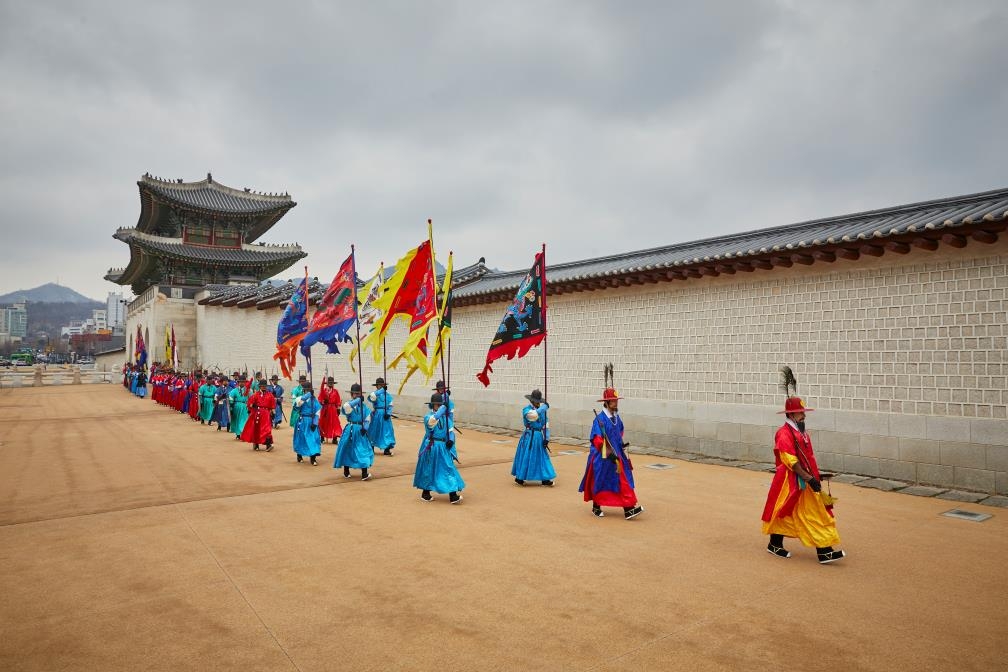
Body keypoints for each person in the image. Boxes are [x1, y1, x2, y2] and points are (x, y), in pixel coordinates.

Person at [762, 397, 845, 564]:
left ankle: (775, 544)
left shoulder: (802, 433)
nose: (804, 416)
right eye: (801, 413)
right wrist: (809, 479)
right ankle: (823, 551)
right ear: (792, 414)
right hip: (791, 481)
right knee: (801, 512)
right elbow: (790, 460)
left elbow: (808, 458)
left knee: (798, 512)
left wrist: (817, 475)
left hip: (805, 478)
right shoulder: (784, 433)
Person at [578, 387, 643, 520]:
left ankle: (629, 508)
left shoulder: (616, 418)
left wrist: (621, 445)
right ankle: (596, 506)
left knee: (623, 480)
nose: (616, 403)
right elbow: (597, 439)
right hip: (602, 457)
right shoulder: (600, 420)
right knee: (600, 481)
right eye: (613, 401)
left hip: (618, 455)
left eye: (616, 400)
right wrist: (609, 453)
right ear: (606, 403)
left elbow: (620, 432)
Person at [413, 393, 464, 504]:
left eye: (440, 404)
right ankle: (425, 493)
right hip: (432, 446)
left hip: (443, 447)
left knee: (448, 468)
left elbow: (450, 431)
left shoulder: (446, 418)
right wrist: (444, 408)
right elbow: (432, 421)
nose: (438, 406)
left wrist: (451, 440)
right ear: (432, 405)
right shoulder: (428, 417)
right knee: (429, 470)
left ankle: (453, 495)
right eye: (437, 405)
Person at [511, 389, 555, 486]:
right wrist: (544, 408)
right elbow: (533, 416)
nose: (538, 403)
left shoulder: (542, 411)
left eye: (539, 402)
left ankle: (545, 478)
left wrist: (546, 438)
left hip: (539, 437)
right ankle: (520, 477)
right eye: (536, 401)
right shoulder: (526, 410)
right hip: (529, 436)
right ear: (531, 401)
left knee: (542, 457)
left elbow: (545, 425)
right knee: (526, 456)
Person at [333, 383, 373, 480]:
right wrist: (358, 400)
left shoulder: (365, 408)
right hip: (350, 429)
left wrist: (365, 428)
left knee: (363, 450)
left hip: (361, 430)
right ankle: (346, 471)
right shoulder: (348, 405)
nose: (356, 395)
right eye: (354, 394)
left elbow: (368, 418)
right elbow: (346, 407)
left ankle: (364, 473)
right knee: (347, 449)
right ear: (351, 394)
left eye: (358, 394)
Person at [292, 382, 322, 465]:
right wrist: (308, 395)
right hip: (302, 420)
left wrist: (315, 423)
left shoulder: (314, 401)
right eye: (306, 390)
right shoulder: (300, 398)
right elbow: (298, 404)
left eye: (309, 390)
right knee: (301, 438)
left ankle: (313, 457)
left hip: (311, 421)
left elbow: (317, 412)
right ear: (304, 390)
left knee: (313, 438)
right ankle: (299, 454)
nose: (308, 391)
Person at [242, 381, 276, 451]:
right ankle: (256, 443)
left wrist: (273, 413)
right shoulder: (255, 395)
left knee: (267, 429)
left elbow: (272, 406)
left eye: (265, 386)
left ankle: (268, 444)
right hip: (257, 413)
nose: (264, 387)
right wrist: (252, 405)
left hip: (266, 414)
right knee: (256, 429)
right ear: (259, 386)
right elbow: (249, 403)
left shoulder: (270, 395)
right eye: (262, 386)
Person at [367, 377, 396, 455]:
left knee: (387, 431)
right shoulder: (375, 394)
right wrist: (381, 391)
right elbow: (370, 398)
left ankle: (387, 449)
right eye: (379, 385)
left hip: (385, 415)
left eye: (382, 385)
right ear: (376, 386)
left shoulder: (388, 396)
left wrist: (388, 413)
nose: (380, 386)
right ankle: (371, 447)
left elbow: (390, 405)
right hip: (377, 415)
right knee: (373, 431)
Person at [318, 376, 343, 444]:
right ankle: (322, 438)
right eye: (329, 383)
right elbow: (320, 399)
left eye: (332, 383)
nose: (331, 384)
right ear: (327, 383)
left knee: (335, 423)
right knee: (323, 422)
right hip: (325, 409)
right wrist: (323, 402)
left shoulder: (335, 391)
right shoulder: (324, 391)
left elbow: (338, 400)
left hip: (333, 409)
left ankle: (334, 439)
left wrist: (338, 408)